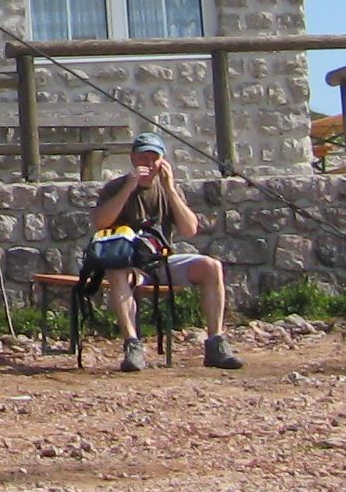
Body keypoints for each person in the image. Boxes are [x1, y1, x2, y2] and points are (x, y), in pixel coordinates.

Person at [89, 134, 241, 372]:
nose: (148, 164)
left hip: (162, 260)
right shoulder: (115, 187)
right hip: (130, 262)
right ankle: (133, 345)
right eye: (143, 157)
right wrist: (129, 187)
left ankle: (216, 343)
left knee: (211, 267)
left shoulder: (167, 189)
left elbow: (190, 229)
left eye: (154, 158)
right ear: (132, 158)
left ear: (162, 161)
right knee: (117, 275)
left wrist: (170, 189)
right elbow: (100, 222)